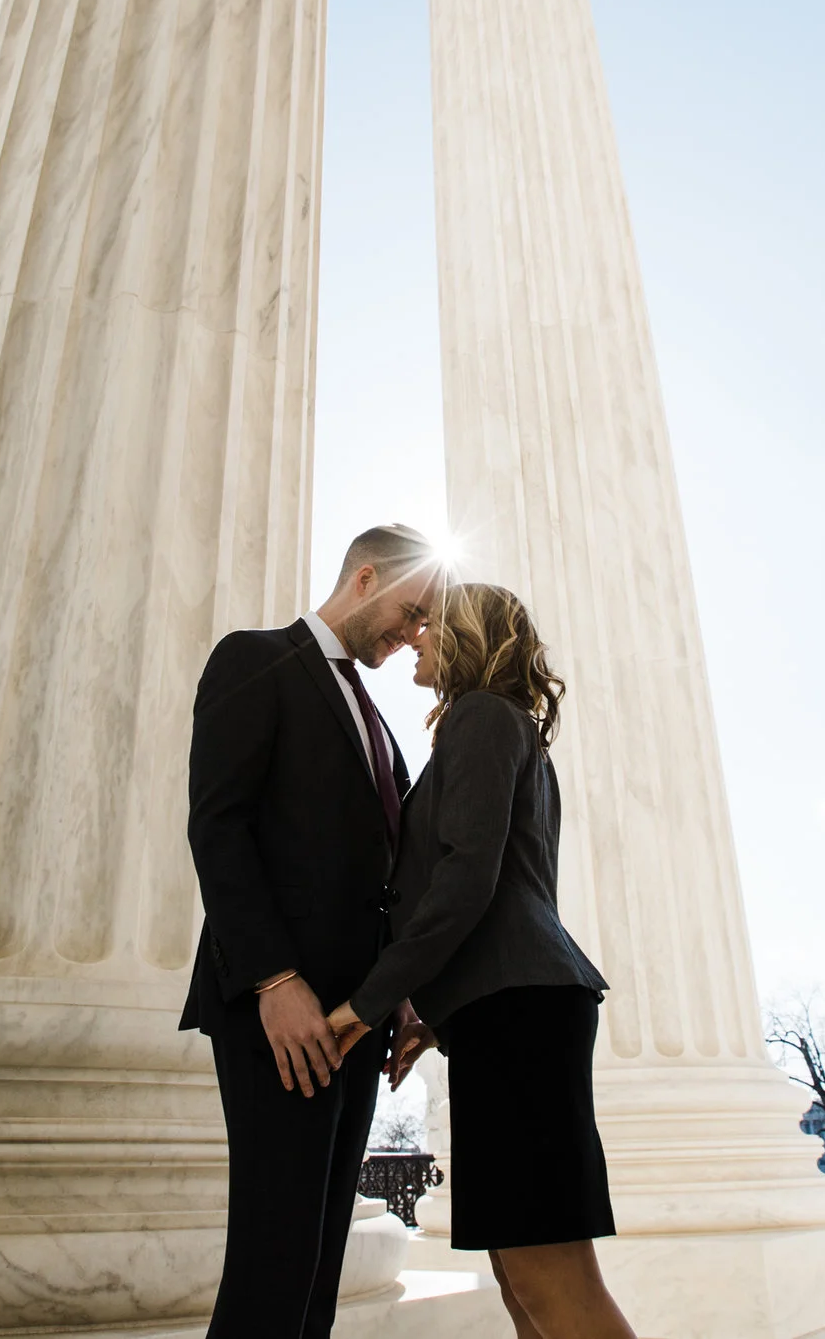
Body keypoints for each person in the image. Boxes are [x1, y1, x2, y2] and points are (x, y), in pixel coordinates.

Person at [327, 582, 639, 1339]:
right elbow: (513, 898)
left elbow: (469, 880)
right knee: (518, 1271)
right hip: (506, 1012)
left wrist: (366, 1002)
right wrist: (435, 1015)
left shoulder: (481, 717)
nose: (417, 636)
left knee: (548, 1272)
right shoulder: (501, 728)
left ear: (467, 636)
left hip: (520, 1020)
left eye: (431, 625)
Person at [181, 524, 448, 1339]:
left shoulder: (375, 721)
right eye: (409, 613)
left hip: (353, 1024)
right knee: (274, 1260)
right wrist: (272, 978)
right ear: (364, 578)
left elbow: (380, 879)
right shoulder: (254, 658)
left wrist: (396, 997)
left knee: (318, 1268)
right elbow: (216, 826)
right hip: (279, 1015)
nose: (413, 639)